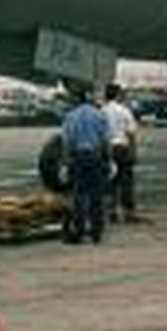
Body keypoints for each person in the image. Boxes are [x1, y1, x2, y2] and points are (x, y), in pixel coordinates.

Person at [61, 84, 110, 244]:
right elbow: (105, 140)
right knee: (97, 196)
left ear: (75, 99)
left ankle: (80, 230)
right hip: (95, 157)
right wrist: (107, 159)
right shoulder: (99, 114)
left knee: (79, 196)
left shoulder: (70, 116)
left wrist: (67, 163)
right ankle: (97, 232)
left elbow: (67, 143)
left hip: (78, 158)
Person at [101, 83, 139, 223]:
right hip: (122, 148)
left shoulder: (101, 111)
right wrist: (133, 152)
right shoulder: (124, 111)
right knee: (126, 182)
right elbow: (131, 133)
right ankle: (128, 213)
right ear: (118, 95)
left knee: (110, 182)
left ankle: (111, 212)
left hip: (107, 148)